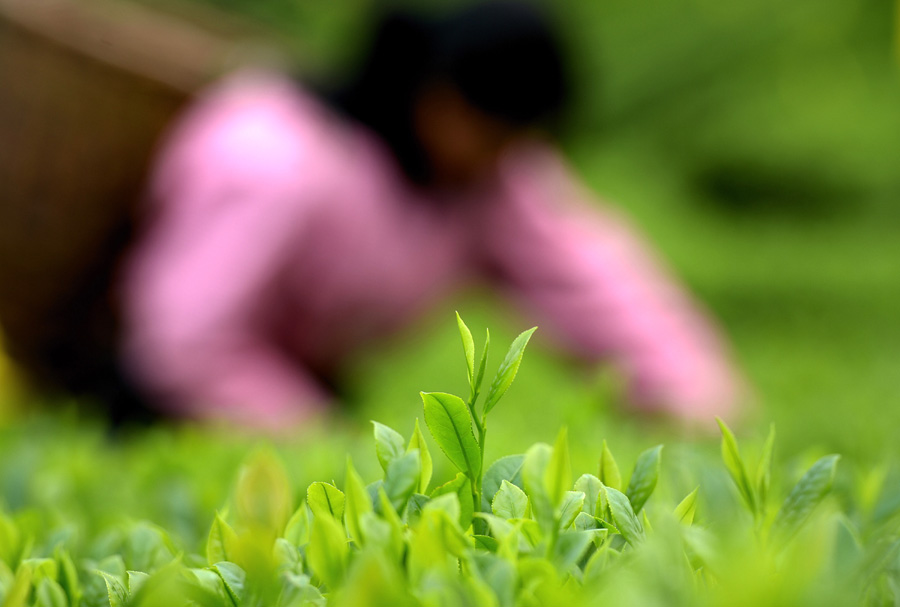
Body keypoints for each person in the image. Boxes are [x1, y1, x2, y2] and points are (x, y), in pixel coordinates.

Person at [120, 2, 742, 430]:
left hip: (310, 403)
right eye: (494, 134)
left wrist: (703, 405)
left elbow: (591, 284)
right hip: (159, 407)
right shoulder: (271, 157)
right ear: (438, 96)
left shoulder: (485, 180)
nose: (506, 159)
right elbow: (183, 344)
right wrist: (315, 438)